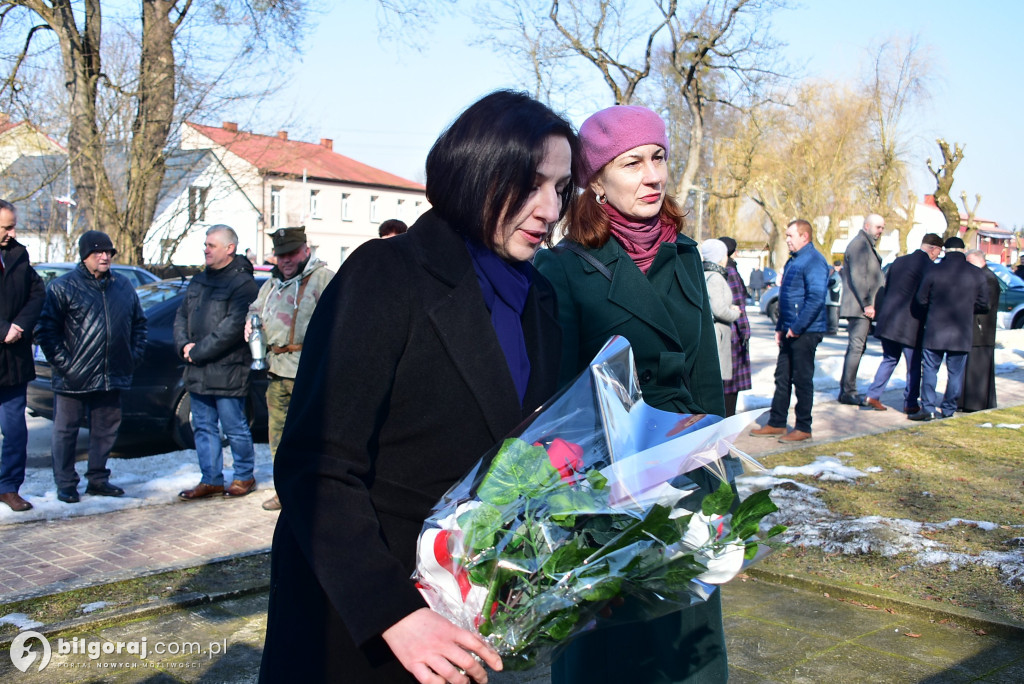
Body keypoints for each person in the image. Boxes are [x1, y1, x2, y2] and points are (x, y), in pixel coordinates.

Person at [259, 90, 575, 683]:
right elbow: (315, 464)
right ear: (479, 172)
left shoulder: (539, 298)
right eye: (532, 184)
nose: (550, 208)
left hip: (472, 613)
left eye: (560, 187)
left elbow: (520, 458)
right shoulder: (386, 275)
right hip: (363, 618)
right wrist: (393, 613)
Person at [535, 105, 732, 684]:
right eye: (631, 163)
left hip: (688, 477)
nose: (652, 176)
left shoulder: (685, 256)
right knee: (612, 656)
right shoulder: (563, 269)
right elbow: (558, 404)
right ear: (595, 180)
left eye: (658, 158)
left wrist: (721, 488)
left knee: (688, 652)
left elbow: (702, 380)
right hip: (609, 492)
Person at [36, 230, 147, 504]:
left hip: (112, 375)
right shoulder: (63, 287)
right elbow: (46, 331)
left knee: (105, 430)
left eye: (108, 251)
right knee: (65, 432)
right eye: (98, 252)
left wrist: (132, 357)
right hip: (73, 377)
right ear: (84, 256)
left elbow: (139, 325)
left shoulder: (123, 286)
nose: (104, 256)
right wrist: (65, 365)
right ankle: (65, 484)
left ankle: (98, 479)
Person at [244, 226, 334, 511]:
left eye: (292, 253)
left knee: (311, 436)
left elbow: (341, 319)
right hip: (275, 370)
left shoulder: (323, 279)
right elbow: (255, 310)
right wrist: (251, 322)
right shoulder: (270, 284)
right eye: (281, 254)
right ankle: (285, 491)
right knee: (278, 437)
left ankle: (315, 491)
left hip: (308, 373)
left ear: (306, 250)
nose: (286, 260)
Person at [175, 225, 260, 500]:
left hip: (228, 369)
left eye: (211, 245)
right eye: (205, 244)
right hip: (198, 369)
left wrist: (197, 351)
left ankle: (244, 475)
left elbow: (233, 327)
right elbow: (181, 315)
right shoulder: (199, 280)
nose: (206, 249)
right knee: (203, 426)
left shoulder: (242, 283)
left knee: (234, 426)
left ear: (229, 248)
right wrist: (183, 346)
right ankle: (210, 479)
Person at [750, 219, 829, 442]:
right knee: (782, 377)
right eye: (785, 236)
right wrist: (781, 327)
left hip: (805, 331)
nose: (786, 240)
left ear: (804, 237)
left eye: (790, 236)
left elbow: (815, 298)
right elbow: (786, 297)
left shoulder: (814, 261)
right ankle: (776, 422)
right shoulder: (794, 261)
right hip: (789, 330)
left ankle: (804, 427)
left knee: (802, 379)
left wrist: (797, 326)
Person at [910, 237, 990, 421]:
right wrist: (967, 308)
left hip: (935, 330)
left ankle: (928, 408)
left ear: (945, 250)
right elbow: (984, 304)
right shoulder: (976, 274)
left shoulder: (934, 271)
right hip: (961, 331)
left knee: (930, 369)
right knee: (956, 373)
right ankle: (948, 409)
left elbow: (920, 300)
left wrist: (932, 309)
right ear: (963, 251)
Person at [863, 233, 943, 413]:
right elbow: (925, 296)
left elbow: (888, 287)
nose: (938, 256)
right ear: (934, 249)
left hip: (888, 319)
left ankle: (873, 395)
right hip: (910, 323)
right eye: (939, 252)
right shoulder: (929, 267)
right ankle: (910, 402)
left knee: (889, 358)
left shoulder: (899, 262)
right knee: (913, 364)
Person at [0, 200, 45, 512]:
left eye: (13, 225)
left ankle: (9, 487)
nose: (12, 232)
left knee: (15, 430)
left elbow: (37, 292)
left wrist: (19, 326)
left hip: (13, 360)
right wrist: (2, 327)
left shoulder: (19, 253)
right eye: (6, 227)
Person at [838, 213, 885, 405]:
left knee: (858, 347)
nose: (880, 231)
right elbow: (859, 276)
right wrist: (867, 303)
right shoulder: (859, 245)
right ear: (867, 226)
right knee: (856, 348)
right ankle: (848, 391)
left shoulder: (865, 244)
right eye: (878, 227)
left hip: (862, 306)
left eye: (882, 228)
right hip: (859, 306)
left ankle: (848, 389)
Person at [959, 249, 1000, 411]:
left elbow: (985, 305)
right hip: (976, 330)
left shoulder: (987, 278)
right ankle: (966, 401)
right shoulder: (982, 276)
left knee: (978, 370)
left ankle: (975, 403)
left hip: (982, 332)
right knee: (971, 369)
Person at [702, 238, 741, 407]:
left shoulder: (705, 273)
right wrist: (735, 313)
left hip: (714, 333)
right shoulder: (716, 277)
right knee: (716, 383)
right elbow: (718, 309)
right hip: (717, 335)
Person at [720, 236, 752, 417]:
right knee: (729, 390)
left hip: (721, 336)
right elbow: (738, 306)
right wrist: (745, 332)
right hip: (731, 336)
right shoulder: (730, 271)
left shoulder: (713, 269)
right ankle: (724, 438)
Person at [826, 260, 843, 335]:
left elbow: (832, 283)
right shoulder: (831, 276)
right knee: (829, 315)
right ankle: (829, 328)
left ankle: (833, 329)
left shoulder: (836, 277)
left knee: (833, 315)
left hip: (834, 299)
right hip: (829, 300)